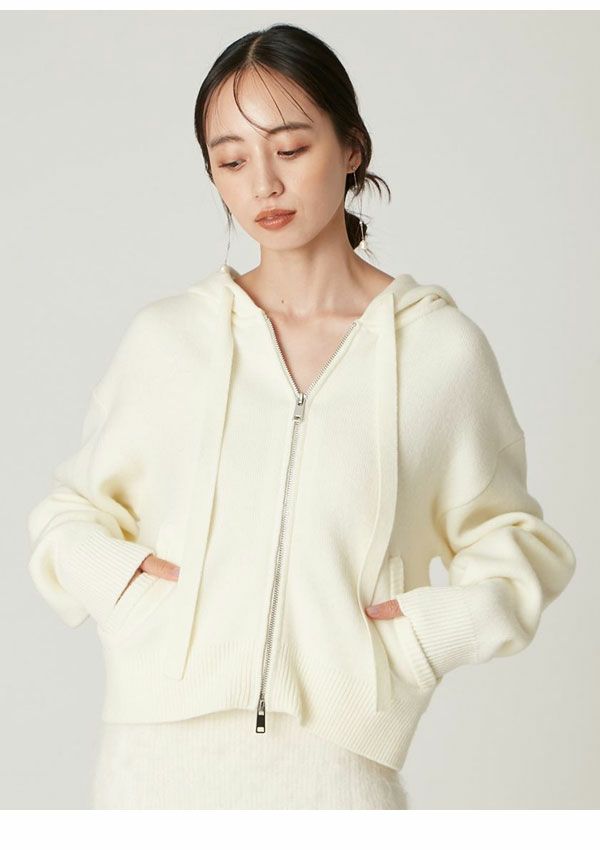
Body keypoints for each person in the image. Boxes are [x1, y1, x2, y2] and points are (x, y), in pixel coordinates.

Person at [26, 23, 576, 810]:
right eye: (231, 161)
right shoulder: (168, 340)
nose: (264, 184)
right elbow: (67, 515)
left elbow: (516, 543)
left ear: (352, 148)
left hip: (340, 773)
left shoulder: (438, 352)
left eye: (289, 148)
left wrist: (418, 642)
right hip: (151, 770)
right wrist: (128, 589)